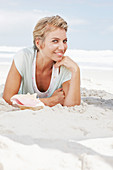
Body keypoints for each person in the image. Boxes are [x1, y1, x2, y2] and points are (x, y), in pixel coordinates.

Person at [3, 15, 81, 107]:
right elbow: (8, 99)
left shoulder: (66, 66)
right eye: (55, 41)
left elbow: (72, 106)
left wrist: (76, 70)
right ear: (38, 43)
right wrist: (51, 101)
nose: (62, 47)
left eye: (64, 41)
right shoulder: (24, 57)